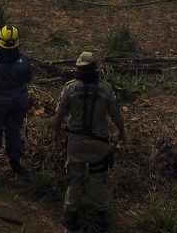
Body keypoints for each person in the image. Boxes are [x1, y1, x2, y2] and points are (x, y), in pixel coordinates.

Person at [51, 51, 125, 232]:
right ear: (95, 68)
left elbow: (59, 114)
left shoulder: (69, 88)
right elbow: (116, 115)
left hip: (76, 143)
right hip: (98, 144)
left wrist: (55, 131)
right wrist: (122, 132)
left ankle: (70, 214)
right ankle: (102, 216)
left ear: (78, 68)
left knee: (75, 179)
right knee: (98, 180)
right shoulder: (106, 89)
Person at [0, 24, 34, 178]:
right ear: (17, 42)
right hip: (18, 104)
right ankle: (15, 163)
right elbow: (29, 78)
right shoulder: (24, 60)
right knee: (14, 133)